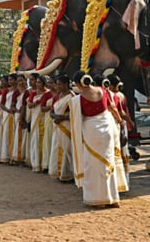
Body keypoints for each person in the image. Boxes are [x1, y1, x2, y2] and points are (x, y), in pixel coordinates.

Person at [70, 71, 121, 208]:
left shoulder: (78, 99)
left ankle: (98, 200)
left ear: (79, 84)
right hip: (107, 130)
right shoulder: (104, 91)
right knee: (109, 162)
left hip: (91, 132)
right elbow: (112, 108)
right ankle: (113, 198)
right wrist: (120, 122)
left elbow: (77, 120)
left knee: (92, 166)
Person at [107, 74, 131, 191]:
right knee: (121, 153)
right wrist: (128, 121)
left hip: (116, 124)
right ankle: (123, 180)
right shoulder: (121, 95)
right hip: (120, 124)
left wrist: (125, 121)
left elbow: (121, 112)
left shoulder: (112, 96)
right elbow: (124, 112)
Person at [49, 75, 75, 182]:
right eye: (57, 84)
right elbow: (51, 111)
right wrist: (56, 117)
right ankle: (59, 173)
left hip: (66, 125)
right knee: (57, 148)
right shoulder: (57, 96)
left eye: (60, 84)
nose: (58, 86)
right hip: (58, 125)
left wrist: (62, 117)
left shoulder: (72, 96)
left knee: (68, 149)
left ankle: (70, 174)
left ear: (66, 84)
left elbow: (75, 114)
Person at [27, 75, 52, 172]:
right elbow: (29, 105)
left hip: (43, 119)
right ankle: (36, 163)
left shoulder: (48, 94)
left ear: (44, 84)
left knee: (43, 140)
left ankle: (44, 163)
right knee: (35, 140)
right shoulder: (33, 93)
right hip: (34, 118)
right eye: (37, 82)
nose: (37, 84)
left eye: (39, 82)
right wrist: (36, 103)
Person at [0, 74, 18, 163]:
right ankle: (7, 156)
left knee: (15, 134)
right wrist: (8, 110)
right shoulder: (6, 91)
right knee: (6, 134)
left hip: (16, 114)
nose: (10, 82)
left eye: (12, 80)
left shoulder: (19, 91)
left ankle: (14, 156)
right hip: (7, 114)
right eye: (9, 80)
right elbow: (2, 104)